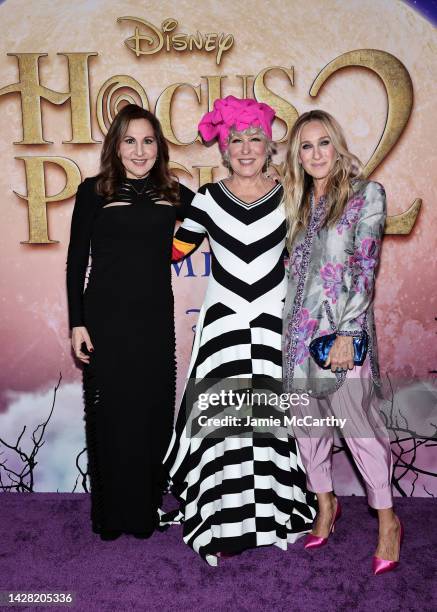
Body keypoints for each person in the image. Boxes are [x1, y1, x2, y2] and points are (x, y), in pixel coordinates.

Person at [160, 96, 317, 566]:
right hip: (224, 320)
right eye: (236, 141)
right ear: (223, 150)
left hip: (273, 319)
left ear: (269, 147)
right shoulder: (206, 199)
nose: (245, 148)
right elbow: (173, 251)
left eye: (255, 139)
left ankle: (271, 515)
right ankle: (223, 520)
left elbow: (310, 258)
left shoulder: (291, 194)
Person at [282, 109, 403, 575]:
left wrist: (349, 333)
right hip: (296, 332)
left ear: (337, 145)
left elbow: (366, 267)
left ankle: (387, 520)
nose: (316, 154)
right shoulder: (294, 202)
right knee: (306, 426)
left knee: (358, 426)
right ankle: (326, 504)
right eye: (306, 146)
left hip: (340, 334)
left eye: (323, 143)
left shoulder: (365, 195)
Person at [66, 104, 194, 540]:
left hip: (154, 320)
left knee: (152, 413)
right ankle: (111, 514)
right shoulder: (93, 191)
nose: (140, 151)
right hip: (105, 320)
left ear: (159, 147)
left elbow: (227, 214)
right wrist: (76, 323)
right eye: (130, 141)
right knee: (111, 417)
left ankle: (143, 510)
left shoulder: (175, 195)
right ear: (116, 146)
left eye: (148, 141)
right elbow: (74, 261)